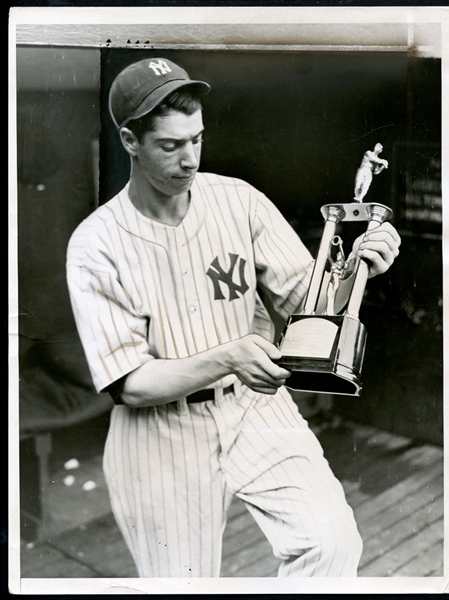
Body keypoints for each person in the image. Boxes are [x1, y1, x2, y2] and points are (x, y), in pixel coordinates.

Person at [66, 57, 401, 578]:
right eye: (171, 146)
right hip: (159, 433)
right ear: (131, 141)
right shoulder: (95, 244)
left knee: (331, 544)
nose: (190, 159)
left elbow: (306, 307)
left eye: (197, 139)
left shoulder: (239, 200)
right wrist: (228, 354)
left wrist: (358, 271)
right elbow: (129, 383)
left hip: (254, 407)